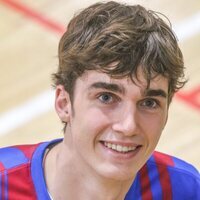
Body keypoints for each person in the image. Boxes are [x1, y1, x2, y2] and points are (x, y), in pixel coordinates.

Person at [0, 1, 199, 199]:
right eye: (106, 97)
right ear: (64, 103)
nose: (128, 126)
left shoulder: (186, 189)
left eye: (149, 103)